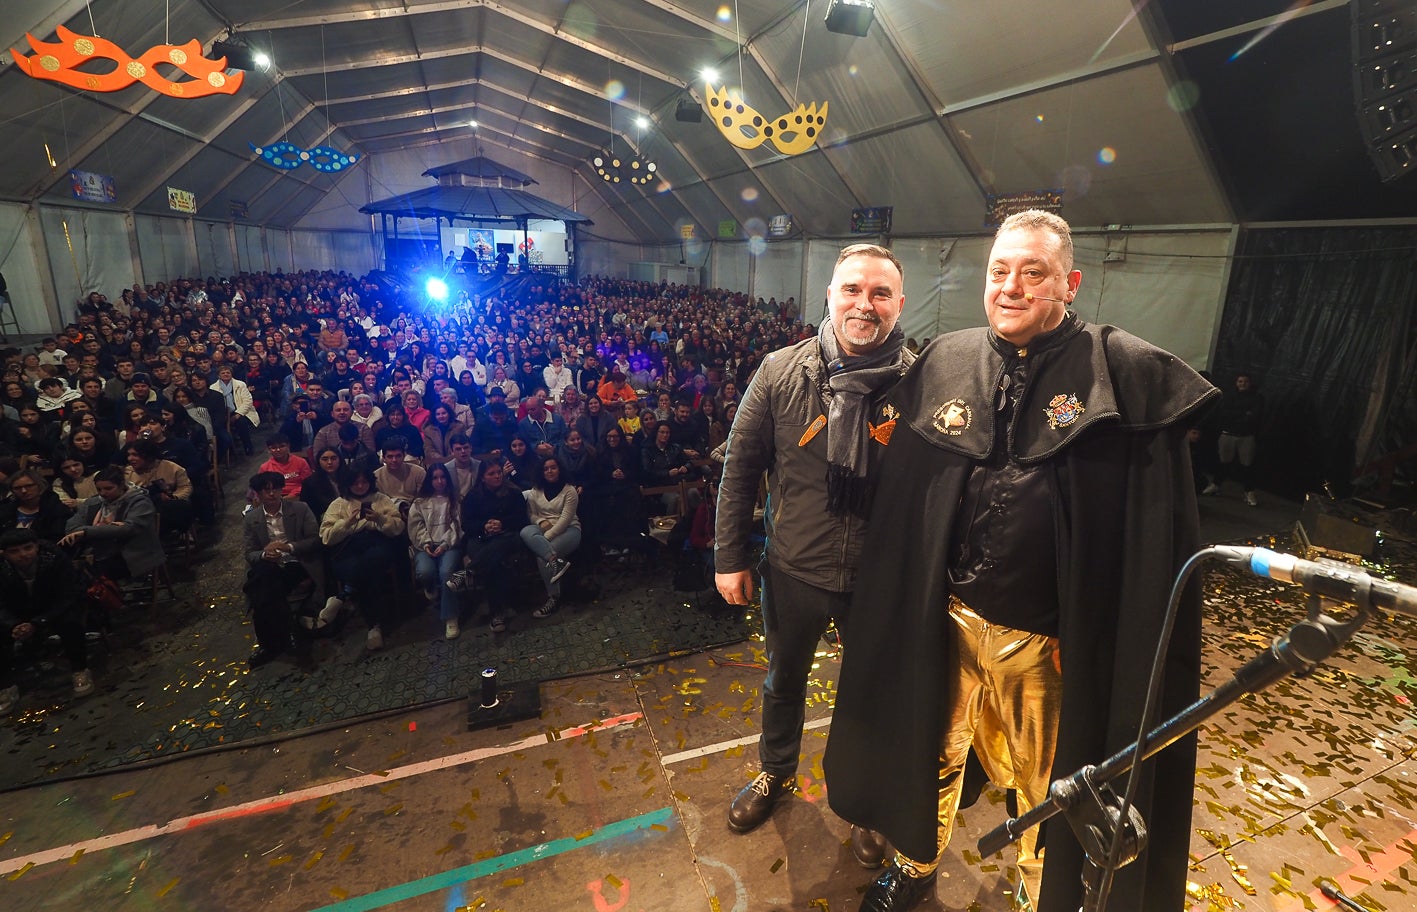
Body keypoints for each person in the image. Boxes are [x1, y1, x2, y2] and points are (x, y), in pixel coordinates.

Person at [823, 211, 1216, 912]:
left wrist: (1094, 634)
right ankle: (916, 864)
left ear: (1068, 283)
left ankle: (1041, 895)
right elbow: (912, 501)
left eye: (1031, 272)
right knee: (932, 752)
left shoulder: (1114, 370)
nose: (1009, 287)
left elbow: (1141, 534)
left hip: (1046, 646)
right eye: (999, 271)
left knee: (1050, 785)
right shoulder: (948, 359)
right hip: (949, 622)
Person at [714, 243, 913, 863]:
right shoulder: (779, 372)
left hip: (878, 577)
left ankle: (863, 801)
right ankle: (776, 773)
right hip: (794, 567)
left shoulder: (923, 380)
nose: (865, 304)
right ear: (829, 296)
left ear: (899, 304)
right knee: (783, 680)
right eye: (852, 289)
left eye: (880, 293)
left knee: (871, 696)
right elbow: (740, 470)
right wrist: (730, 557)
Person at [0, 529, 93, 712]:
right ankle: (5, 686)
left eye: (28, 548)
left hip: (53, 607)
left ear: (37, 546)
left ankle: (79, 669)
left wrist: (38, 622)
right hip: (17, 611)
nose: (23, 555)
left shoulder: (54, 559)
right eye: (15, 551)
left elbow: (68, 595)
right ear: (5, 553)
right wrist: (13, 624)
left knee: (70, 622)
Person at [242, 471, 324, 669]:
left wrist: (289, 547)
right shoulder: (252, 518)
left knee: (261, 590)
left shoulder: (299, 508)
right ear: (258, 494)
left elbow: (315, 540)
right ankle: (289, 634)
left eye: (275, 489)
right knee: (267, 581)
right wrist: (264, 554)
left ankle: (268, 645)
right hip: (271, 565)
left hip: (297, 562)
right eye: (266, 490)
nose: (271, 494)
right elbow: (249, 553)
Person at [319, 463, 405, 650]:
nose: (360, 486)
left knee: (374, 560)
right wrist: (347, 523)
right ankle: (374, 626)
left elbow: (398, 528)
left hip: (376, 546)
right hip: (349, 548)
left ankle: (343, 595)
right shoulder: (339, 503)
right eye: (355, 483)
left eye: (364, 482)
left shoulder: (381, 499)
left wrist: (379, 519)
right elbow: (326, 538)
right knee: (367, 575)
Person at [452, 459, 530, 634]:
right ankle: (499, 610)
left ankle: (495, 611)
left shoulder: (512, 492)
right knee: (492, 560)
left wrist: (501, 524)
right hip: (481, 537)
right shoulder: (473, 496)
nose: (497, 476)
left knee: (496, 553)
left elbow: (521, 519)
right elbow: (467, 524)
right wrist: (485, 526)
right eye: (491, 474)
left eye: (499, 472)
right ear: (482, 477)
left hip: (507, 536)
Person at [59, 465, 164, 581]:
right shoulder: (93, 502)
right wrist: (110, 528)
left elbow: (128, 529)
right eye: (99, 489)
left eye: (108, 488)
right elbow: (71, 528)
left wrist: (86, 532)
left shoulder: (140, 502)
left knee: (91, 573)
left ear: (121, 486)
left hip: (133, 553)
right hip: (97, 551)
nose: (103, 493)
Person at [408, 462, 464, 639]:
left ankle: (450, 617)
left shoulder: (454, 500)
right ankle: (431, 586)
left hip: (449, 545)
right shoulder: (419, 502)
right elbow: (416, 526)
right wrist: (425, 543)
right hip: (424, 546)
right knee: (425, 571)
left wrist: (444, 544)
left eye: (442, 477)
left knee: (446, 572)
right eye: (435, 478)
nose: (439, 481)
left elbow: (457, 525)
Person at [520, 455, 580, 619]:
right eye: (546, 468)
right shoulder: (536, 489)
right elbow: (531, 514)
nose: (550, 471)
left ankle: (553, 597)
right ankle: (556, 562)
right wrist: (541, 522)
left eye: (553, 467)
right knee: (525, 531)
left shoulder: (569, 490)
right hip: (543, 526)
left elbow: (565, 519)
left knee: (542, 557)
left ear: (559, 469)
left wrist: (546, 538)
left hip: (569, 530)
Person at [1204, 371, 1264, 506]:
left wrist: (1236, 415)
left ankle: (1249, 492)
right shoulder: (1229, 396)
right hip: (1227, 434)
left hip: (1246, 436)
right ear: (1236, 383)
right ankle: (1216, 485)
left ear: (1250, 383)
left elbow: (1255, 416)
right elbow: (1224, 413)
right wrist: (1244, 414)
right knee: (1223, 462)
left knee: (1247, 466)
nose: (1243, 384)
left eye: (1246, 381)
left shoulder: (1257, 398)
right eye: (1240, 381)